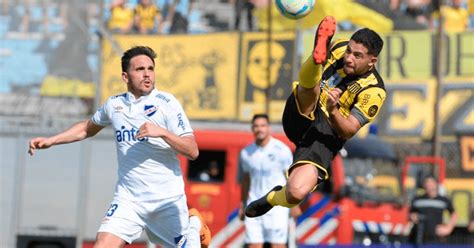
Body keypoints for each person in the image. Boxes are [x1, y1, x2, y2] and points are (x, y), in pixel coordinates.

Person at [28, 46, 209, 248]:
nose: (147, 74)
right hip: (129, 199)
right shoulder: (114, 105)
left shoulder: (167, 103)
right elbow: (87, 129)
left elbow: (192, 151)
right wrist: (51, 140)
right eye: (140, 69)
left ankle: (193, 226)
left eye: (151, 68)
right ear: (125, 76)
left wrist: (163, 132)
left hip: (166, 201)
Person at [245, 16, 386, 218]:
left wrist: (334, 110)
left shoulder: (374, 91)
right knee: (311, 89)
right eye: (348, 51)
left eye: (357, 55)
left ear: (372, 61)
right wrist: (322, 57)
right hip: (302, 110)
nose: (348, 58)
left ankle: (272, 198)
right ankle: (316, 56)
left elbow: (348, 130)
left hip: (326, 133)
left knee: (296, 192)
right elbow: (322, 75)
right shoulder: (338, 48)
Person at [239, 114, 294, 247]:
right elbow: (246, 180)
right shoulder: (246, 152)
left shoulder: (282, 150)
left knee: (277, 245)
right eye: (256, 126)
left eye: (263, 125)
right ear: (252, 129)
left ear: (269, 128)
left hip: (276, 206)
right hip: (254, 203)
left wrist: (294, 203)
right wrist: (242, 204)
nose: (259, 129)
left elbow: (291, 178)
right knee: (254, 245)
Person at [408, 175, 458, 244]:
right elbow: (409, 213)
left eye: (431, 183)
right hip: (417, 239)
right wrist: (412, 216)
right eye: (427, 183)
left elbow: (454, 214)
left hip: (436, 239)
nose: (429, 185)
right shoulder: (417, 200)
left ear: (436, 184)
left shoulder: (443, 200)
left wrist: (448, 228)